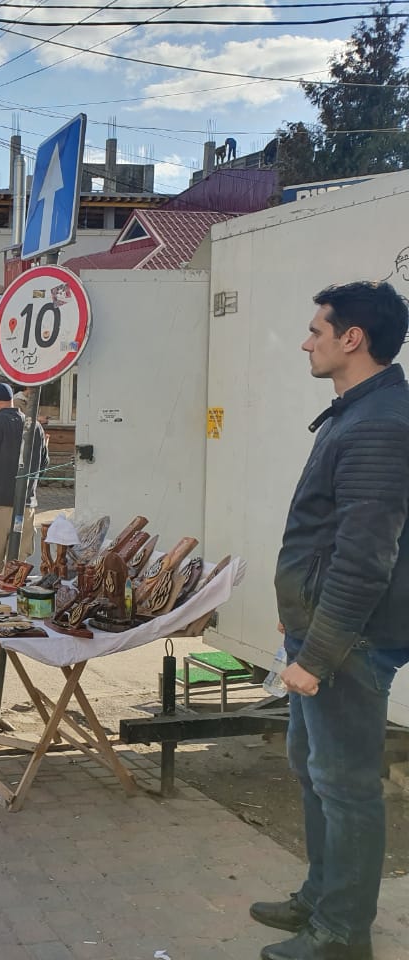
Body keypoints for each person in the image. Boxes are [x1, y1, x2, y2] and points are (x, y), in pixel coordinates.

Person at [255, 281, 409, 960]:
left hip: (350, 642)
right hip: (319, 633)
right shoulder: (358, 411)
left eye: (317, 329)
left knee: (346, 785)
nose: (306, 341)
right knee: (311, 766)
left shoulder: (380, 422)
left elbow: (363, 557)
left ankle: (343, 934)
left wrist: (315, 655)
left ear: (354, 339)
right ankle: (320, 897)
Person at [0, 382, 48, 573]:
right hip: (26, 505)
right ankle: (17, 602)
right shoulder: (35, 426)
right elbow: (43, 463)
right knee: (18, 570)